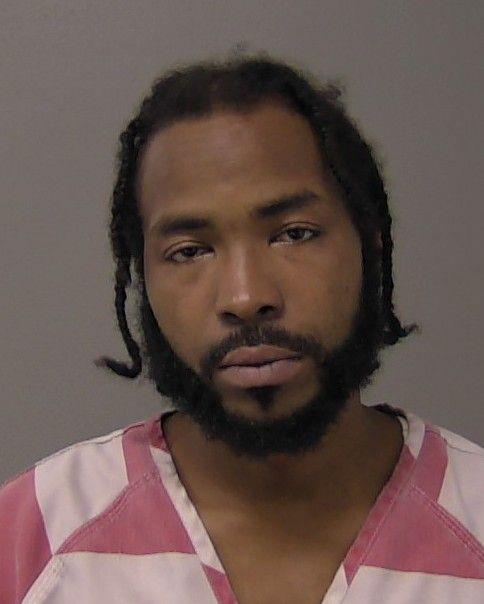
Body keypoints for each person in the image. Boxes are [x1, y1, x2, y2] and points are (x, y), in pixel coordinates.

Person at [1, 54, 483, 604]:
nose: (246, 297)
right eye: (190, 251)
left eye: (294, 234)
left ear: (369, 242)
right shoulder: (30, 539)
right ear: (142, 276)